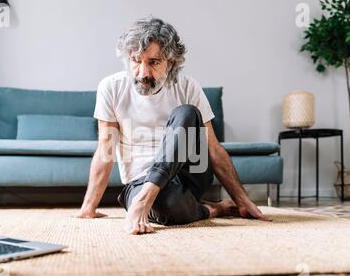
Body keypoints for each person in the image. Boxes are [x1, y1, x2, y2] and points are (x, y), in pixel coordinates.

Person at [74, 17, 271, 234]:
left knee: (186, 112)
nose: (143, 73)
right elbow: (106, 148)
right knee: (167, 207)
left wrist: (243, 200)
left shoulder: (188, 87)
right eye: (136, 61)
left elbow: (213, 149)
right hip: (138, 180)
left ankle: (145, 199)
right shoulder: (111, 88)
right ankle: (211, 209)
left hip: (190, 173)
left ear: (172, 62)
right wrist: (88, 207)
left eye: (153, 62)